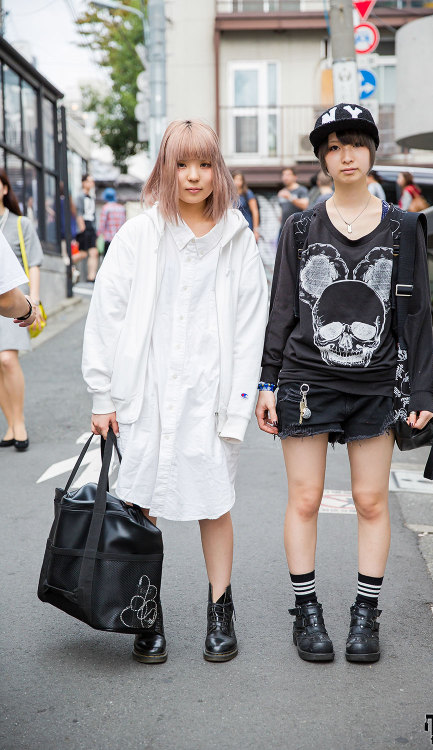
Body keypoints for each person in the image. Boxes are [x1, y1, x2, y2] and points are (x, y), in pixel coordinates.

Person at [82, 119, 268, 665]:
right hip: (149, 392)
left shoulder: (236, 237)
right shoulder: (141, 234)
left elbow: (251, 323)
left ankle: (220, 609)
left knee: (215, 502)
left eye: (204, 164)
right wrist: (102, 395)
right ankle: (146, 612)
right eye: (182, 164)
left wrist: (244, 396)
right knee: (144, 503)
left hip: (211, 396)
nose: (193, 176)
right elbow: (107, 313)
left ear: (219, 171)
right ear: (165, 167)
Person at [256, 103, 433, 664]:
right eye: (332, 147)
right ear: (322, 160)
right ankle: (306, 613)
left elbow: (417, 314)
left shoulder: (404, 225)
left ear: (372, 151)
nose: (345, 155)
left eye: (354, 143)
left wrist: (423, 391)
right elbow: (282, 307)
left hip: (378, 381)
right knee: (305, 498)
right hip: (306, 376)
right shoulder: (301, 227)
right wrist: (264, 382)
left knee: (370, 499)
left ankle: (366, 614)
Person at [0, 169, 43, 452]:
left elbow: (35, 263)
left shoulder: (19, 223)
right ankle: (10, 424)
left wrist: (34, 302)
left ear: (4, 189)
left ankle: (20, 422)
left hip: (14, 300)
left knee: (6, 360)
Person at [0, 234, 37, 326]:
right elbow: (7, 301)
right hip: (17, 303)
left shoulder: (22, 224)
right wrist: (29, 308)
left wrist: (35, 299)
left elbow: (34, 264)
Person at [76, 173, 99, 282]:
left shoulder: (92, 197)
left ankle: (92, 277)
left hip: (91, 226)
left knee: (94, 252)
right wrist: (82, 228)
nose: (91, 183)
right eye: (89, 181)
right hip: (84, 225)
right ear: (84, 182)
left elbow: (93, 215)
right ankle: (67, 264)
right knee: (83, 253)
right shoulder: (80, 196)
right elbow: (78, 213)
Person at [277, 167, 309, 236]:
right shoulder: (282, 192)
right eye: (284, 175)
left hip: (297, 229)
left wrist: (290, 197)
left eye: (288, 175)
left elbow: (305, 205)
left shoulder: (301, 190)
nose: (285, 177)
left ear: (295, 177)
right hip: (283, 228)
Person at [97, 187, 126, 256]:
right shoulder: (121, 208)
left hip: (108, 239)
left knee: (108, 261)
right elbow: (124, 223)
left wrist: (98, 235)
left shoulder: (106, 208)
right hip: (119, 240)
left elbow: (102, 225)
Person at [232, 172, 260, 242]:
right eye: (235, 179)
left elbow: (255, 212)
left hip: (246, 227)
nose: (237, 182)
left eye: (240, 179)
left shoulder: (247, 193)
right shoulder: (229, 195)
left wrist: (256, 230)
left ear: (243, 182)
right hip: (233, 228)